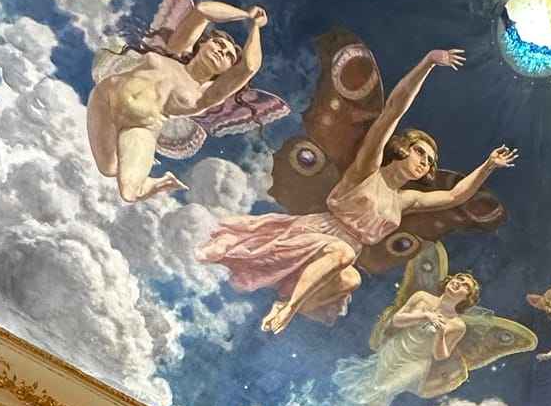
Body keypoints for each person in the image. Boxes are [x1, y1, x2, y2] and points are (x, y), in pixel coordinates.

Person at [199, 49, 516, 330]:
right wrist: (428, 63)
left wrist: (489, 164)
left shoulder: (404, 200)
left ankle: (292, 300)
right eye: (420, 152)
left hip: (340, 255)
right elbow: (393, 110)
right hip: (315, 234)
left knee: (351, 277)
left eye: (430, 161)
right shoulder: (368, 169)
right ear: (403, 148)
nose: (425, 162)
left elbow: (455, 197)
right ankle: (288, 306)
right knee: (344, 253)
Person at [86, 0, 270, 202]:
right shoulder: (175, 50)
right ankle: (135, 162)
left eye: (229, 56)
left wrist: (256, 27)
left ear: (227, 70)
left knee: (130, 193)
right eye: (218, 44)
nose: (221, 51)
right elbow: (203, 10)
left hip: (139, 126)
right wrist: (245, 14)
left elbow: (249, 67)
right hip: (105, 96)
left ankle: (164, 181)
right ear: (203, 43)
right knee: (108, 168)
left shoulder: (206, 95)